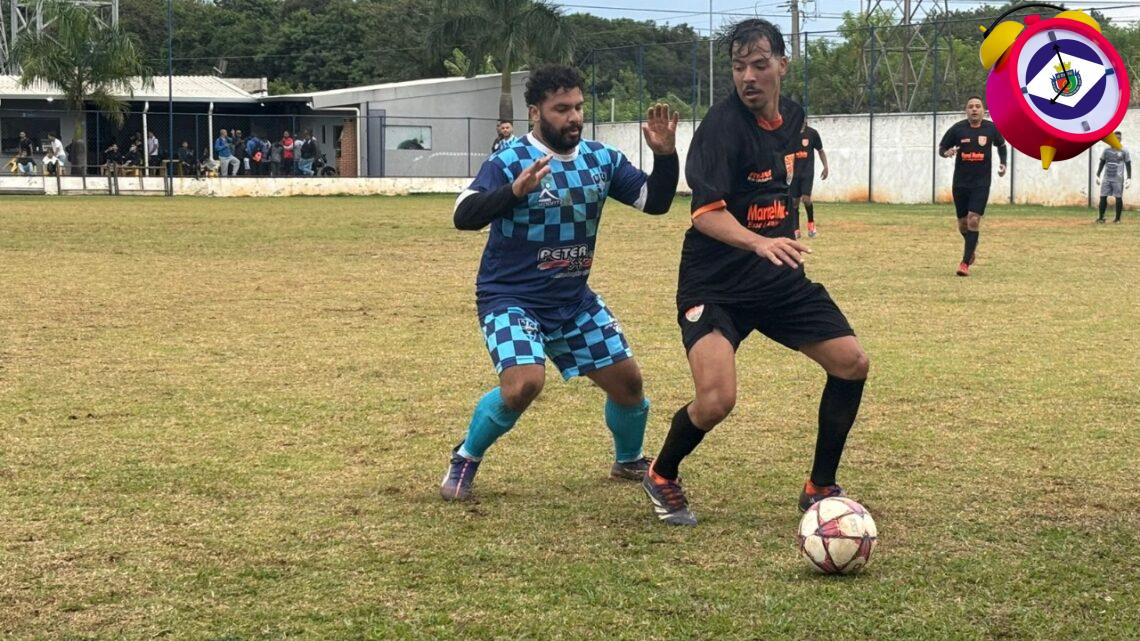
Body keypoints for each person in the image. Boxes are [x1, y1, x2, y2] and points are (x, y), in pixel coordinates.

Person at [640, 19, 870, 527]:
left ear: (782, 66)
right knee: (717, 399)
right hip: (715, 282)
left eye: (759, 65)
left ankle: (820, 486)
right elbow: (705, 213)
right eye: (738, 66)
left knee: (852, 363)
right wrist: (759, 241)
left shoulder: (793, 118)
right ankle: (661, 472)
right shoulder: (720, 128)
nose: (748, 76)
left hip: (777, 279)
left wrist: (775, 240)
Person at [440, 64, 680, 502]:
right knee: (524, 384)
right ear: (536, 111)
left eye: (578, 107)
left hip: (573, 302)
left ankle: (628, 460)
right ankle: (465, 458)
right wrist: (513, 192)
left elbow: (657, 202)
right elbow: (463, 215)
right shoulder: (509, 158)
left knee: (629, 387)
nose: (573, 117)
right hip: (510, 299)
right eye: (561, 109)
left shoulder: (600, 159)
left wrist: (665, 156)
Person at [938, 95, 1007, 277]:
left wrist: (1003, 163)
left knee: (974, 219)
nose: (974, 109)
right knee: (963, 224)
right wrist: (947, 152)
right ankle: (971, 246)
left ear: (983, 110)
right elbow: (941, 148)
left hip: (981, 183)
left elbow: (1002, 145)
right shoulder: (958, 129)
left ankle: (964, 263)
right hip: (960, 183)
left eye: (977, 106)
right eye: (971, 107)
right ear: (966, 110)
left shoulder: (991, 128)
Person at [791, 118, 828, 238]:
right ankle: (796, 229)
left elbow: (821, 151)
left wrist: (825, 166)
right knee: (794, 202)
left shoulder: (812, 133)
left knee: (806, 199)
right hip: (793, 173)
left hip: (807, 173)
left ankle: (811, 225)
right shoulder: (790, 133)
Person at [1095, 131, 1130, 224]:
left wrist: (1129, 178)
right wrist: (1098, 175)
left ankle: (1117, 219)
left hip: (1118, 179)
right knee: (1102, 197)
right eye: (1115, 138)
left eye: (1119, 138)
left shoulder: (1124, 151)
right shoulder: (1106, 151)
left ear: (1121, 139)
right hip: (1106, 178)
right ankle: (1101, 218)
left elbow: (1128, 164)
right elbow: (1102, 162)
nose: (1117, 139)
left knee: (1118, 197)